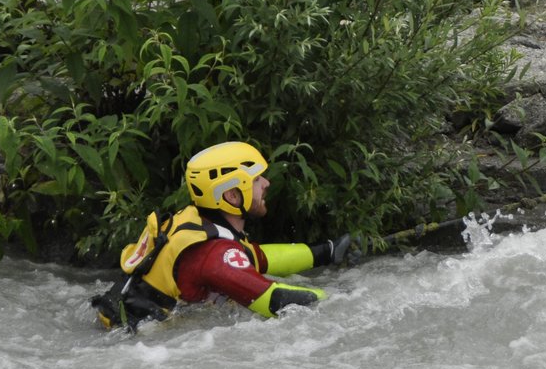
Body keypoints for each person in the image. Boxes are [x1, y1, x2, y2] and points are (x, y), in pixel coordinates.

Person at [91, 141, 351, 331]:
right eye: (257, 179)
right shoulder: (214, 255)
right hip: (138, 343)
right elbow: (274, 300)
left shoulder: (198, 221)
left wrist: (327, 251)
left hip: (130, 327)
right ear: (232, 195)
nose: (266, 184)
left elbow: (256, 257)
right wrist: (345, 301)